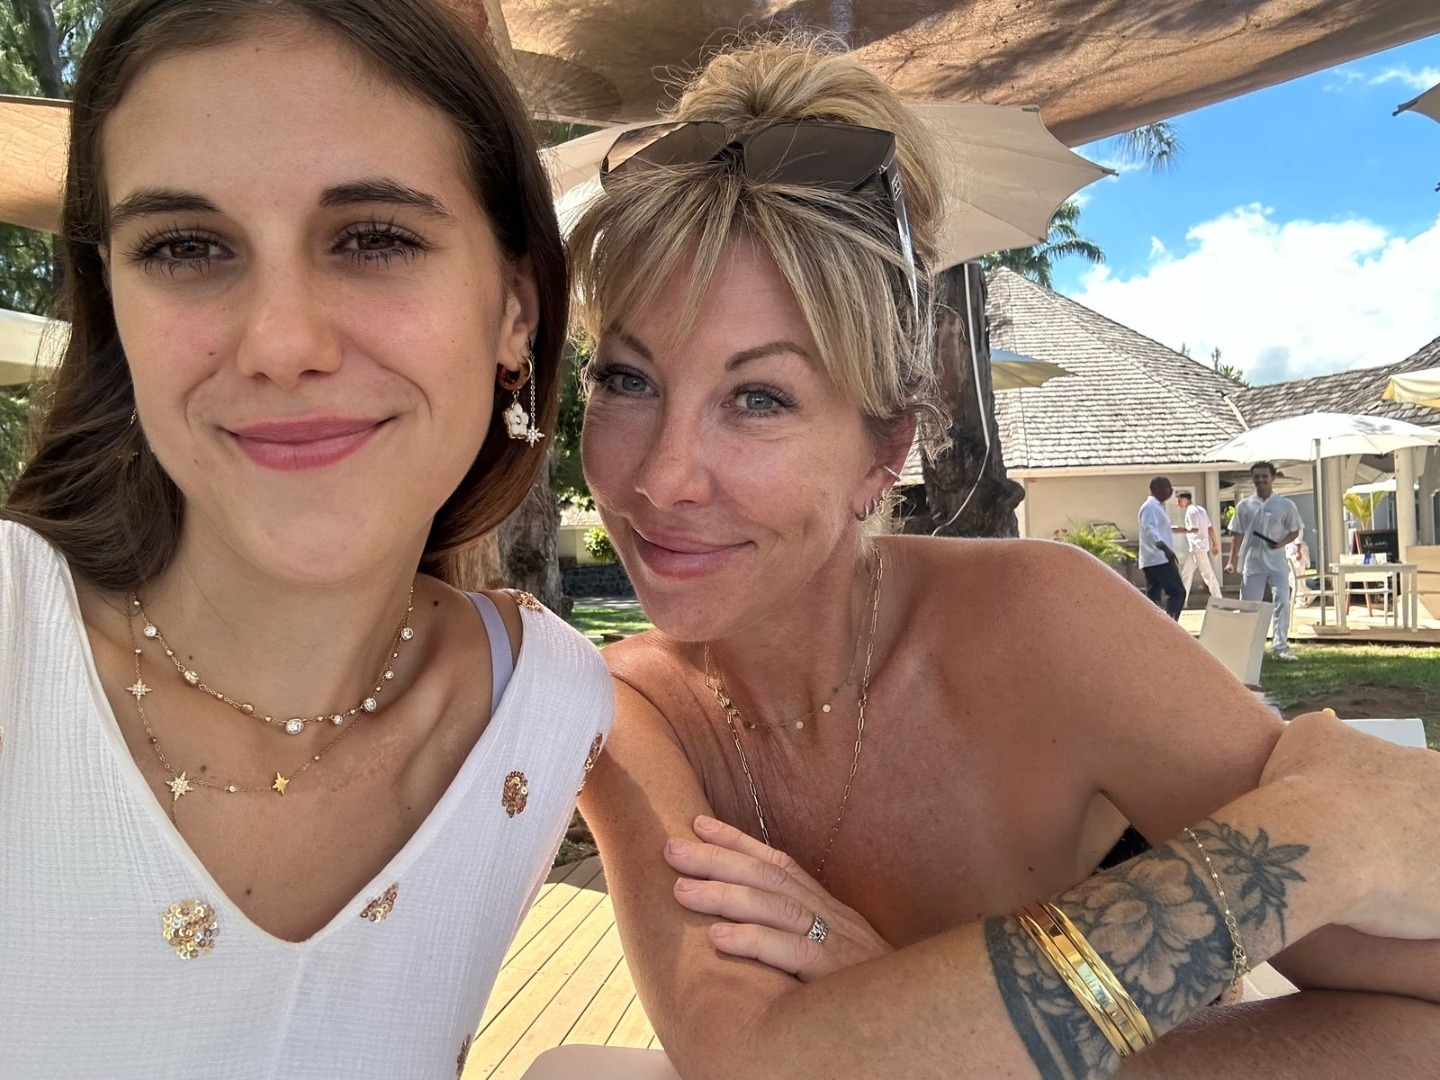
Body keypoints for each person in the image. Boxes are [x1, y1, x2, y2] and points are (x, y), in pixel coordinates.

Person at [569, 39, 1440, 1080]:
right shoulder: (622, 711)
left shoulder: (1043, 623)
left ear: (884, 451)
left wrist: (909, 1019)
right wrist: (1320, 839)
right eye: (626, 380)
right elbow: (748, 1055)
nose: (663, 478)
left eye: (758, 398)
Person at [0, 1, 611, 1075]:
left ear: (516, 308)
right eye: (186, 247)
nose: (282, 342)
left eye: (375, 238)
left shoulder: (549, 711)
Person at [1226, 461, 1304, 661]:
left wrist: (1280, 543)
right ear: (1252, 479)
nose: (1261, 480)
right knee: (1249, 605)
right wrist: (1231, 561)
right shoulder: (1244, 506)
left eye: (1264, 476)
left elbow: (1295, 530)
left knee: (1282, 601)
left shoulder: (1285, 505)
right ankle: (1247, 648)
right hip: (1252, 562)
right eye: (1257, 477)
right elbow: (1237, 535)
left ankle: (1280, 647)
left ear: (1272, 478)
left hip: (1277, 562)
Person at [1138, 476, 1186, 619]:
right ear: (1155, 489)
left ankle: (1151, 623)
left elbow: (1157, 528)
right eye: (1167, 487)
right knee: (1177, 592)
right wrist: (1165, 548)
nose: (1170, 491)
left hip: (1154, 559)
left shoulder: (1157, 507)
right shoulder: (1150, 507)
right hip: (1159, 558)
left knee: (1153, 597)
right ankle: (1171, 623)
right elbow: (1150, 529)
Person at [1174, 490, 1224, 600]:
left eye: (1179, 500)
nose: (1178, 503)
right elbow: (1210, 528)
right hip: (1198, 547)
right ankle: (1182, 601)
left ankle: (1218, 599)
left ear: (1185, 499)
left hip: (1197, 547)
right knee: (1186, 573)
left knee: (1207, 574)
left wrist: (1179, 530)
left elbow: (1194, 529)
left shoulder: (1190, 511)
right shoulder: (1201, 510)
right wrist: (1215, 543)